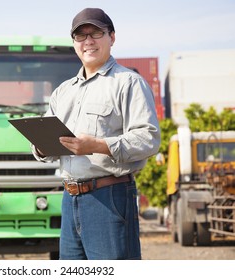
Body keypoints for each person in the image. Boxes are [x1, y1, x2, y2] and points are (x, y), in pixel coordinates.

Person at [32, 8, 160, 259]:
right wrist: (40, 147)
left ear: (111, 37)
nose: (88, 41)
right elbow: (42, 144)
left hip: (109, 198)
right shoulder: (63, 91)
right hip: (69, 200)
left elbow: (148, 139)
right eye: (81, 36)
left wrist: (97, 146)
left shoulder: (128, 82)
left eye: (96, 33)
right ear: (74, 43)